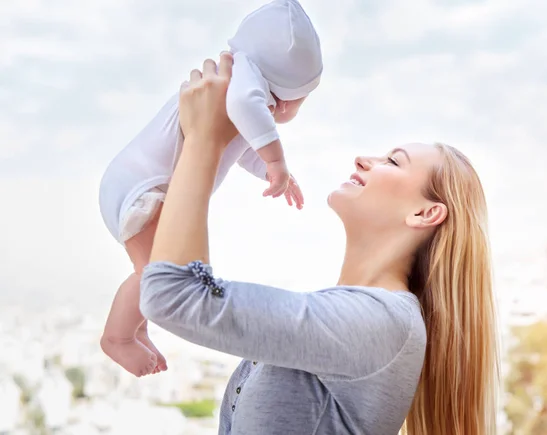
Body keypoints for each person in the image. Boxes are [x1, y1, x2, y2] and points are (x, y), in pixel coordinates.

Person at [140, 53, 501, 434]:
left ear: (425, 214)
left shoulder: (382, 322)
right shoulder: (356, 318)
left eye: (393, 162)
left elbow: (174, 296)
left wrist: (204, 139)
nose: (364, 159)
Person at [98, 0, 322, 377]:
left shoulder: (237, 81)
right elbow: (247, 108)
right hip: (142, 189)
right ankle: (117, 338)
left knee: (153, 274)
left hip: (133, 183)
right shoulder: (241, 86)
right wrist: (276, 160)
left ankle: (137, 330)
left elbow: (237, 149)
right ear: (285, 97)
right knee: (155, 274)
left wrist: (268, 169)